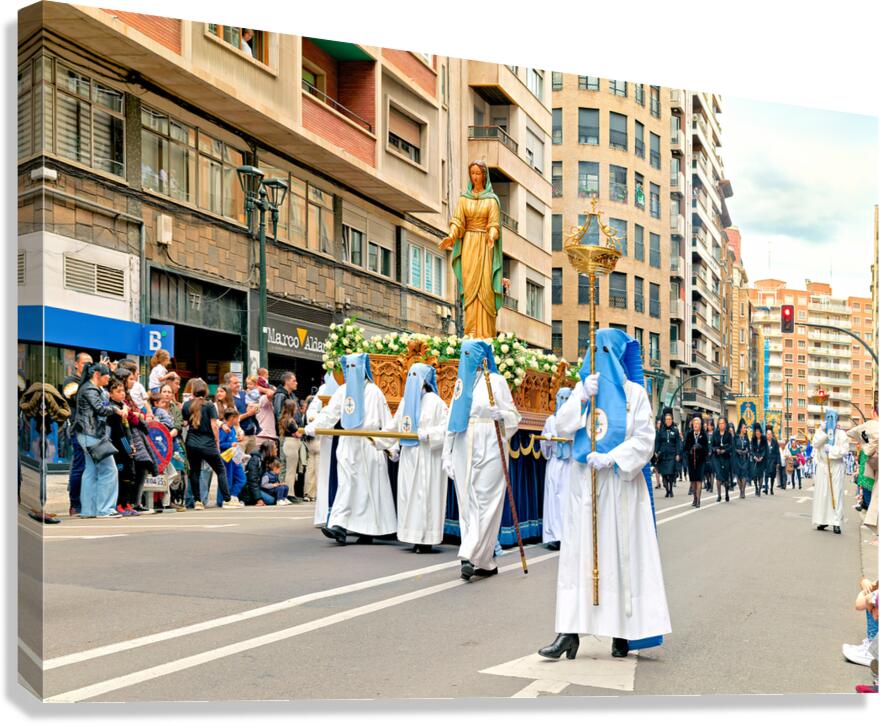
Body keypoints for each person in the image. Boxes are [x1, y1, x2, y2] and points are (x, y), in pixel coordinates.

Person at [538, 329, 671, 661]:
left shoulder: (635, 394)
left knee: (618, 557)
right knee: (578, 558)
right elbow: (562, 426)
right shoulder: (587, 389)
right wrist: (581, 395)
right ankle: (568, 631)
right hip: (585, 484)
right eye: (596, 350)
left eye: (609, 351)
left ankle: (621, 632)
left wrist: (614, 458)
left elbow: (644, 439)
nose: (602, 357)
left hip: (620, 486)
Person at [441, 340, 521, 581]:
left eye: (470, 354)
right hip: (465, 442)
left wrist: (503, 415)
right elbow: (452, 420)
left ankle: (469, 553)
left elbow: (514, 415)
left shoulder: (496, 381)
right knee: (468, 501)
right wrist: (447, 452)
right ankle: (484, 561)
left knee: (487, 500)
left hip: (491, 442)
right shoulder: (461, 383)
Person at [305, 353, 397, 545]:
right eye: (348, 368)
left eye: (354, 368)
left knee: (368, 488)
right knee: (347, 483)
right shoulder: (343, 391)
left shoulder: (374, 391)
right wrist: (313, 427)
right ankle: (339, 525)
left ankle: (367, 530)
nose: (350, 372)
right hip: (348, 443)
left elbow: (387, 421)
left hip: (368, 442)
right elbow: (330, 414)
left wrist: (390, 446)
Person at [380, 363, 449, 554]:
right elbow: (394, 427)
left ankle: (426, 539)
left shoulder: (436, 402)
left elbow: (446, 429)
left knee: (425, 496)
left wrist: (426, 434)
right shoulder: (405, 402)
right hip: (410, 456)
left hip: (428, 456)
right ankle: (411, 536)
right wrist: (376, 439)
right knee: (408, 495)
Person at [438, 160, 503, 339]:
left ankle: (486, 334)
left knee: (485, 287)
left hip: (485, 245)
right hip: (468, 245)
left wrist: (491, 235)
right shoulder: (463, 199)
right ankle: (471, 331)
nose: (475, 177)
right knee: (469, 287)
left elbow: (494, 223)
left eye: (478, 173)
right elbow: (458, 221)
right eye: (472, 173)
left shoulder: (491, 200)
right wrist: (451, 236)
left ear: (484, 175)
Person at [182, 378, 242, 509]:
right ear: (205, 390)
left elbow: (185, 423)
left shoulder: (187, 405)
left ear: (193, 391)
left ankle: (197, 501)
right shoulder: (209, 405)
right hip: (208, 442)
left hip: (191, 442)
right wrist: (217, 443)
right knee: (220, 470)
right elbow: (214, 425)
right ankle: (227, 499)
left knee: (195, 472)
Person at [75, 363, 125, 518]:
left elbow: (102, 405)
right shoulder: (90, 389)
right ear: (96, 374)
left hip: (87, 435)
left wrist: (108, 403)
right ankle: (105, 509)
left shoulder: (92, 390)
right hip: (92, 435)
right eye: (106, 375)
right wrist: (116, 409)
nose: (109, 378)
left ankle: (88, 510)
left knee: (91, 471)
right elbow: (101, 409)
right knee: (109, 470)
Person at [539, 387, 573, 550]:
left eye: (567, 398)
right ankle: (554, 535)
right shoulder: (550, 421)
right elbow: (544, 448)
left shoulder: (575, 420)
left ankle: (568, 535)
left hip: (569, 464)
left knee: (567, 500)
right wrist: (547, 441)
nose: (564, 402)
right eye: (561, 398)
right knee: (553, 500)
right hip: (554, 463)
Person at [62, 351, 92, 517]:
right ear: (76, 364)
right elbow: (77, 397)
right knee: (79, 467)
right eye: (85, 363)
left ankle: (88, 502)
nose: (88, 366)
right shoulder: (70, 382)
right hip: (78, 429)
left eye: (91, 363)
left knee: (93, 468)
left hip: (94, 430)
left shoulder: (92, 383)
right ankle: (75, 504)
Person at [307, 373, 339, 526]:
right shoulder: (324, 389)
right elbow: (313, 409)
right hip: (327, 437)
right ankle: (325, 513)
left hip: (339, 435)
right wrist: (314, 419)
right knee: (325, 474)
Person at [811, 409, 847, 534]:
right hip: (823, 466)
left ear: (837, 419)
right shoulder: (820, 431)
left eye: (833, 418)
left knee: (836, 495)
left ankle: (836, 522)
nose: (830, 420)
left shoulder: (842, 434)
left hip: (836, 467)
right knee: (823, 494)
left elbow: (844, 451)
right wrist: (824, 433)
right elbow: (815, 443)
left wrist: (831, 449)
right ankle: (822, 520)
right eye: (828, 418)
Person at [106, 378, 139, 517]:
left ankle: (127, 503)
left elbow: (128, 429)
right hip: (118, 449)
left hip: (126, 446)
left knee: (130, 476)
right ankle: (119, 504)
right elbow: (119, 434)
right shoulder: (113, 410)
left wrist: (131, 444)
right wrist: (127, 448)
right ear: (110, 394)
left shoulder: (123, 407)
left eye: (123, 391)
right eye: (118, 391)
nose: (122, 393)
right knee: (121, 476)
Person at [218, 408, 248, 507]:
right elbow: (220, 444)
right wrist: (231, 444)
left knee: (241, 478)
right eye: (236, 418)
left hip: (235, 457)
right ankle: (224, 500)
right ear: (231, 418)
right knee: (228, 479)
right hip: (226, 458)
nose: (238, 420)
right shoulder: (223, 430)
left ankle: (233, 496)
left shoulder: (233, 429)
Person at [278, 399, 305, 503]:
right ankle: (290, 493)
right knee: (291, 470)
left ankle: (286, 492)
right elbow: (297, 434)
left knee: (286, 469)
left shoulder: (283, 419)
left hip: (287, 443)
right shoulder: (290, 421)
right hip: (292, 444)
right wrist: (303, 431)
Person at [654, 408, 682, 498]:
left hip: (672, 455)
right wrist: (656, 452)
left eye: (670, 419)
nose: (668, 421)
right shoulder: (660, 431)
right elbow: (657, 442)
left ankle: (671, 490)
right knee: (665, 474)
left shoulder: (675, 430)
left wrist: (678, 454)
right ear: (664, 421)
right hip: (663, 455)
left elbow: (678, 443)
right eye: (667, 419)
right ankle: (667, 489)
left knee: (670, 474)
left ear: (672, 420)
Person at [684, 415, 708, 508]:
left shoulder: (704, 435)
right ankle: (694, 498)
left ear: (700, 425)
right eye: (694, 423)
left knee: (699, 480)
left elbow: (706, 449)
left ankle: (698, 500)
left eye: (697, 423)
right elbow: (685, 447)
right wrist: (689, 451)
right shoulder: (689, 434)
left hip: (700, 461)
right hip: (691, 461)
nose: (696, 425)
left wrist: (700, 447)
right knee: (693, 480)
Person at [712, 417, 733, 503]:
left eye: (723, 423)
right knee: (718, 475)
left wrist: (725, 450)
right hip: (717, 457)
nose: (721, 425)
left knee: (725, 476)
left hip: (726, 457)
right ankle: (719, 495)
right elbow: (712, 445)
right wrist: (715, 449)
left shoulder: (729, 434)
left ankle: (727, 493)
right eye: (719, 423)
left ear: (725, 424)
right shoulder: (715, 433)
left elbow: (731, 446)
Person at [732, 419, 751, 499]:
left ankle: (743, 491)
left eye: (746, 428)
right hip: (737, 459)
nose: (745, 429)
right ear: (740, 428)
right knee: (738, 476)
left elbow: (749, 448)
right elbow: (733, 447)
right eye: (744, 428)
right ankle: (740, 490)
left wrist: (746, 451)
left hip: (744, 459)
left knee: (744, 475)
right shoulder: (736, 437)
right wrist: (737, 451)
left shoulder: (746, 438)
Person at [750, 422, 767, 498]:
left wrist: (762, 457)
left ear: (761, 432)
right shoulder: (753, 439)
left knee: (760, 475)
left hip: (762, 460)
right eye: (756, 432)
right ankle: (756, 487)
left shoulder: (764, 439)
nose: (757, 433)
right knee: (754, 475)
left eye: (758, 432)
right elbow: (751, 450)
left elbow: (765, 450)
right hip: (755, 460)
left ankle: (759, 489)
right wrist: (754, 457)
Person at [764, 426, 781, 495]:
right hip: (766, 461)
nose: (769, 436)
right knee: (766, 475)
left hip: (773, 461)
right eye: (768, 434)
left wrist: (778, 462)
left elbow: (777, 452)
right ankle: (766, 488)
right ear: (766, 435)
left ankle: (771, 488)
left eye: (770, 434)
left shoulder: (774, 441)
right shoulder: (764, 441)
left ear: (772, 435)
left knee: (773, 476)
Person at [703, 418, 716, 493]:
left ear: (713, 426)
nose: (708, 427)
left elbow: (715, 444)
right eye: (708, 425)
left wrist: (712, 451)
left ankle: (711, 486)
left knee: (712, 471)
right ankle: (707, 483)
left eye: (710, 425)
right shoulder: (705, 434)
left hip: (713, 455)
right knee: (706, 471)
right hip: (706, 455)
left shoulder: (715, 434)